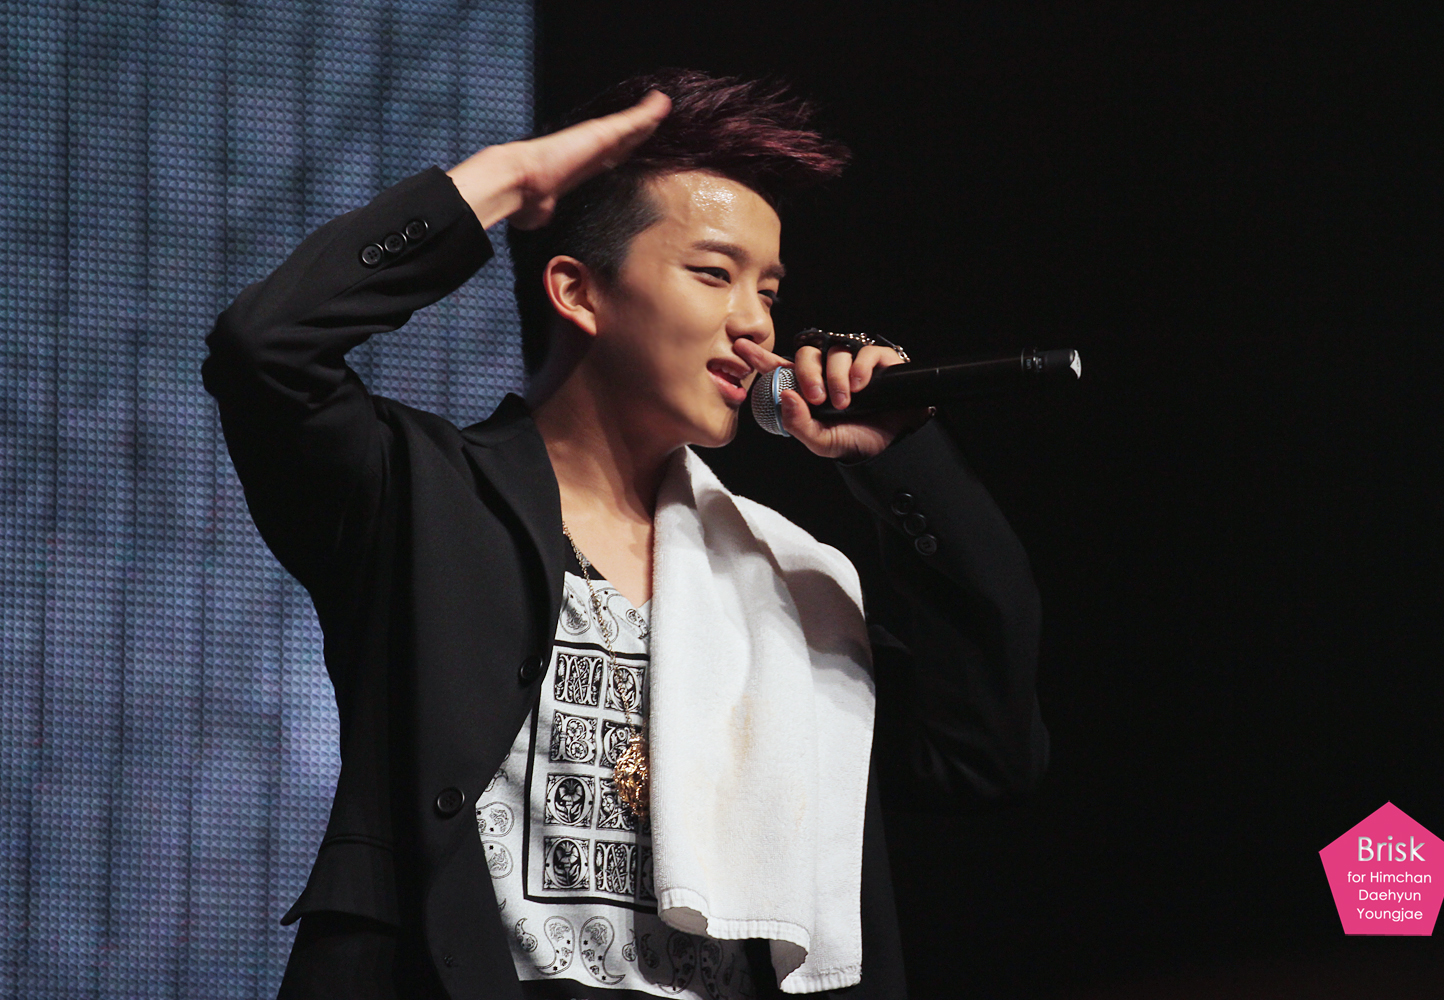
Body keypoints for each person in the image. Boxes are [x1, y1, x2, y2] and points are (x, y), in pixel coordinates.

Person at [204, 69, 1047, 1000]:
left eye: (768, 290)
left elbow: (982, 751)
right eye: (714, 274)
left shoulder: (782, 578)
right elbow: (267, 348)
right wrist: (504, 179)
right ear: (578, 290)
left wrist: (905, 459)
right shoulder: (422, 497)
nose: (755, 323)